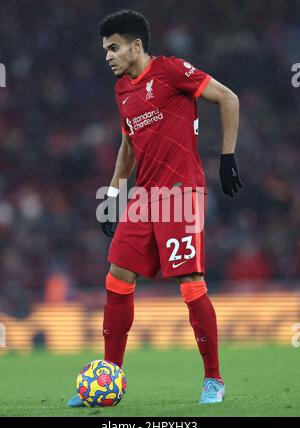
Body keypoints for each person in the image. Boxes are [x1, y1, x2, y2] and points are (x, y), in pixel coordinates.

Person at [68, 9, 242, 407]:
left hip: (180, 193)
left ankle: (213, 379)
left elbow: (228, 98)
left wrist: (227, 157)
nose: (108, 56)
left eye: (113, 48)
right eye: (105, 50)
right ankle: (110, 373)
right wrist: (113, 195)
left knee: (190, 283)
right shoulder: (122, 90)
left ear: (136, 46)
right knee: (116, 277)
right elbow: (128, 144)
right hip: (144, 198)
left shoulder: (171, 71)